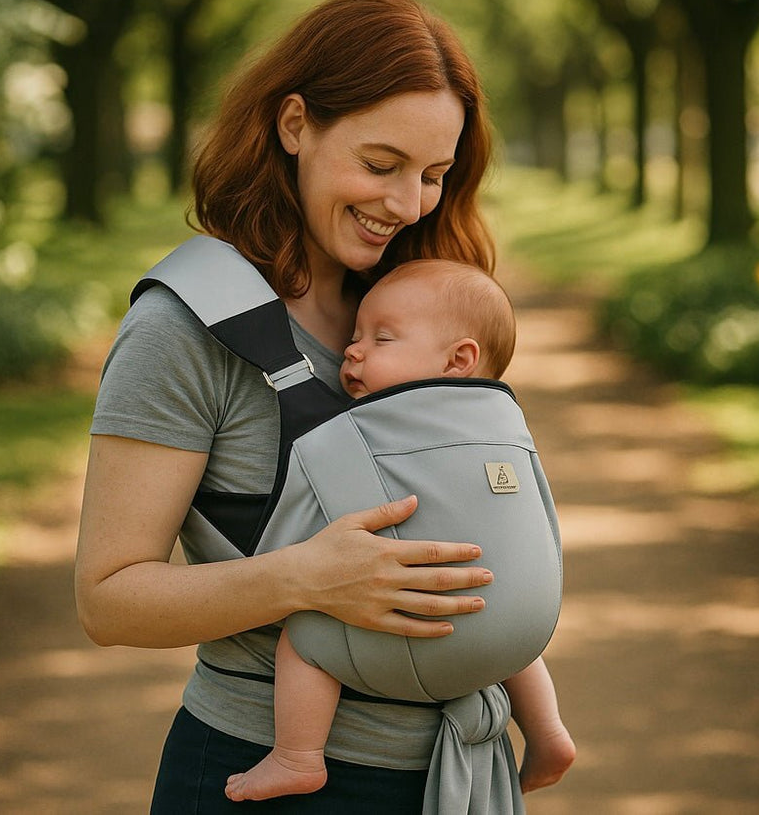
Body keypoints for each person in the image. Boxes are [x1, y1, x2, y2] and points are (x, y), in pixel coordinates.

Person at [75, 0, 568, 811]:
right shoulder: (185, 328)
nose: (407, 205)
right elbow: (107, 598)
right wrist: (306, 578)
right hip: (276, 779)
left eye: (434, 176)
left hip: (460, 772)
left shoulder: (417, 305)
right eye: (380, 166)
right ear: (295, 124)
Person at [224, 258, 576, 803]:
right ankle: (549, 732)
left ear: (459, 360)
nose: (352, 351)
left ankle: (297, 756)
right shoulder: (503, 424)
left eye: (381, 339)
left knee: (304, 640)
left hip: (407, 638)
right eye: (355, 336)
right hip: (515, 632)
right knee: (496, 603)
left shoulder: (371, 431)